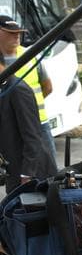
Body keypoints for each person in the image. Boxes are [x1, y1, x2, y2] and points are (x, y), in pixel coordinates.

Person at [0, 15, 54, 157]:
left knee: (48, 172)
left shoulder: (30, 54)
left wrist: (27, 108)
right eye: (11, 33)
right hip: (9, 128)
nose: (17, 36)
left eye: (19, 32)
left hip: (39, 123)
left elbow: (48, 87)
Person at [0, 63, 56, 194]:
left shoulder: (17, 89)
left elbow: (32, 136)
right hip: (15, 170)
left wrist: (27, 174)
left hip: (33, 173)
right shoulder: (5, 87)